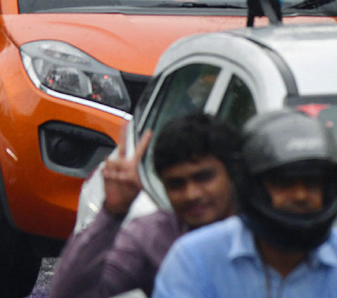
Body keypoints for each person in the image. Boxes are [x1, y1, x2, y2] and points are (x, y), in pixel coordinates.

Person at [152, 110, 337, 298]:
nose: (301, 195)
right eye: (284, 183)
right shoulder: (195, 261)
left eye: (313, 183)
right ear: (252, 186)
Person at [49, 113, 239, 298]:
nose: (192, 194)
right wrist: (112, 213)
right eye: (176, 184)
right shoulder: (152, 236)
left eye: (203, 177)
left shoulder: (261, 227)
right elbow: (69, 293)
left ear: (232, 174)